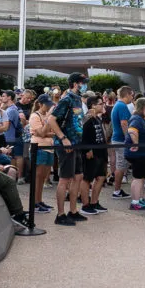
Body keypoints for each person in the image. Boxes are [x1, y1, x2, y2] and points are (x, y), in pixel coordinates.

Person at [50, 73, 89, 226]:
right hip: (66, 144)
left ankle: (73, 211)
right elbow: (51, 119)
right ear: (74, 83)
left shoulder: (78, 99)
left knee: (78, 176)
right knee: (64, 179)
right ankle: (60, 214)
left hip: (76, 143)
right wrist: (63, 138)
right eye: (82, 82)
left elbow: (77, 120)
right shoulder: (66, 99)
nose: (84, 85)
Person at [125, 97, 145, 211]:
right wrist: (136, 143)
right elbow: (132, 130)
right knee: (138, 178)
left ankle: (140, 199)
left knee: (142, 178)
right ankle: (135, 202)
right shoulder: (136, 119)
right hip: (139, 154)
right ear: (142, 106)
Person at [80, 95, 109, 215]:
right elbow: (83, 134)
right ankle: (85, 205)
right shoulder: (87, 117)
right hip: (91, 152)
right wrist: (87, 150)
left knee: (101, 177)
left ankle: (94, 202)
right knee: (87, 178)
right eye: (101, 104)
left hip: (101, 151)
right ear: (93, 105)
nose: (103, 106)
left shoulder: (97, 118)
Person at [28, 94, 56, 214]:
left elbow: (51, 131)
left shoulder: (45, 116)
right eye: (46, 105)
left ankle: (39, 200)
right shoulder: (35, 116)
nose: (48, 107)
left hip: (49, 148)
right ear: (40, 104)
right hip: (39, 148)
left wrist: (49, 131)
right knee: (38, 177)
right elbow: (42, 133)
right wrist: (49, 119)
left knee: (43, 177)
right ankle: (35, 202)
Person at [110, 85, 134, 200]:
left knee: (122, 165)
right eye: (131, 95)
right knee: (121, 165)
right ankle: (117, 191)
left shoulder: (118, 105)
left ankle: (117, 190)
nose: (132, 98)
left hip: (118, 139)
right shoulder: (122, 106)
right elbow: (124, 123)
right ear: (127, 94)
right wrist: (128, 139)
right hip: (121, 140)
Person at [0, 90, 26, 185]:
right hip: (13, 136)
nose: (2, 98)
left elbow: (6, 124)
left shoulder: (10, 110)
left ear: (9, 97)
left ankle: (18, 177)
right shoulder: (13, 108)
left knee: (16, 157)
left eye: (3, 96)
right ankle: (15, 177)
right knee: (15, 157)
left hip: (12, 136)